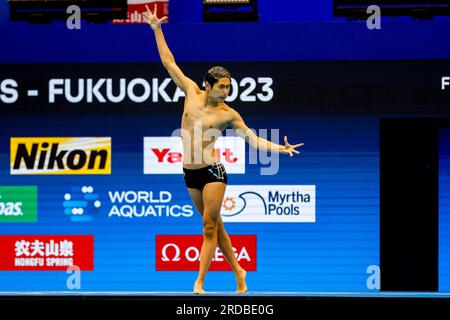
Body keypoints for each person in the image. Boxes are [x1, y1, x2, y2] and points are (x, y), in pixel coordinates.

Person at [145, 6, 304, 294]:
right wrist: (157, 30)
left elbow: (254, 141)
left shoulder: (228, 114)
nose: (226, 91)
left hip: (212, 172)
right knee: (217, 228)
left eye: (229, 87)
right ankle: (240, 272)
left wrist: (281, 149)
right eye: (221, 87)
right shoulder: (191, 92)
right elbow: (169, 62)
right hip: (189, 173)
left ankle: (199, 282)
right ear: (207, 85)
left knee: (208, 228)